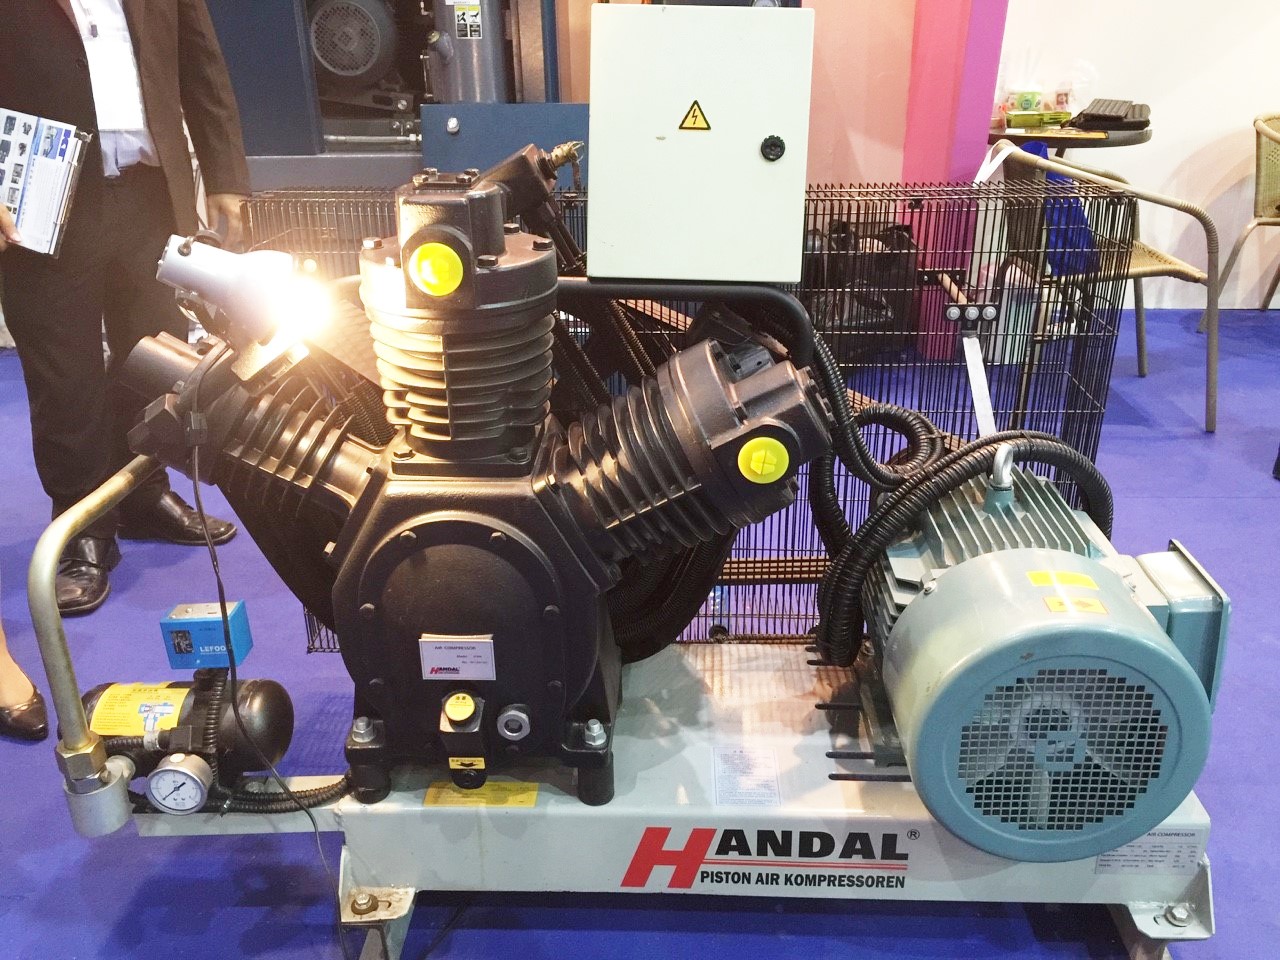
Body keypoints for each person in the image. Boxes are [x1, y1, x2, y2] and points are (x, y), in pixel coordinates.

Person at [0, 1, 248, 615]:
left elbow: (200, 60)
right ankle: (82, 523)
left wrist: (224, 173)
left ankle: (143, 493)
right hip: (39, 197)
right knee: (65, 375)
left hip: (149, 191)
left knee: (154, 355)